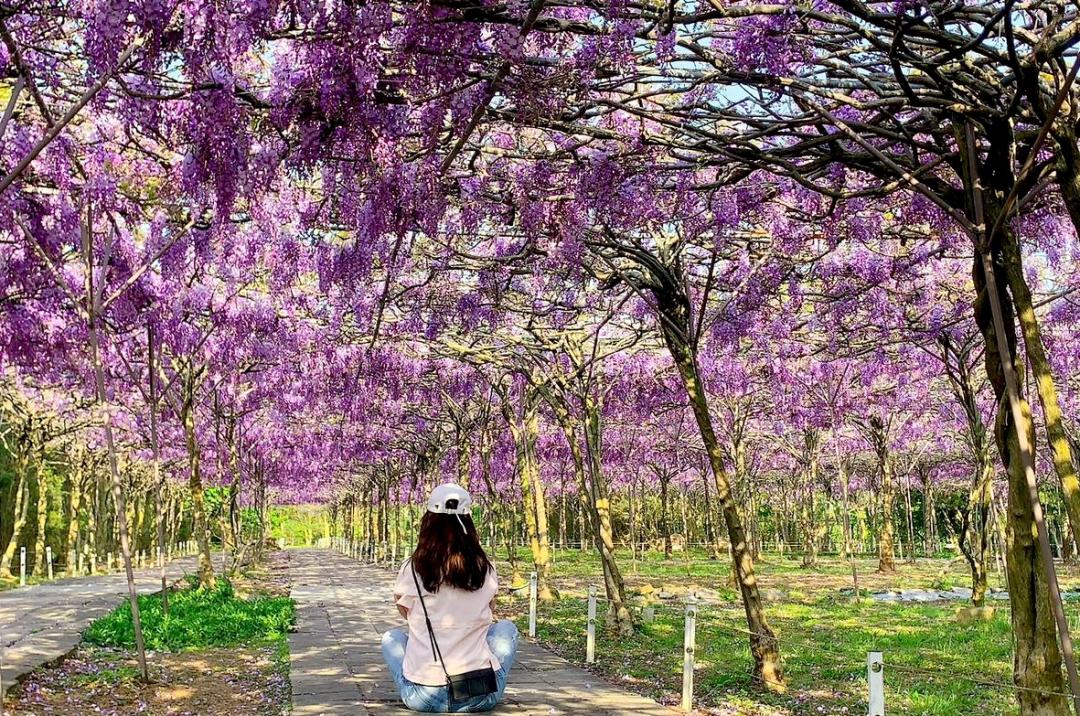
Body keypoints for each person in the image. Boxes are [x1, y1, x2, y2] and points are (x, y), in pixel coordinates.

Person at [381, 483, 519, 713]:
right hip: (480, 693)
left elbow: (406, 613)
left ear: (428, 522)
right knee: (505, 629)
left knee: (391, 638)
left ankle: (422, 678)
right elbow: (490, 610)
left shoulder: (411, 569)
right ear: (468, 524)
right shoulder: (485, 568)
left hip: (423, 696)